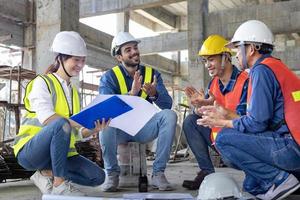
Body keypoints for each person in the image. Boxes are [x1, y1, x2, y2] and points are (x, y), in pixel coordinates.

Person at [199, 20, 300, 200]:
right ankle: (288, 180)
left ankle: (281, 179)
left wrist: (224, 122)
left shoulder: (260, 70)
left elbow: (257, 123)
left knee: (223, 138)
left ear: (251, 49)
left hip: (291, 148)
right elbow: (268, 119)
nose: (236, 54)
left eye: (238, 48)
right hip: (293, 144)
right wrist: (226, 114)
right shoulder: (275, 66)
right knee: (251, 186)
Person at [13, 31, 109, 196]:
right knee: (60, 123)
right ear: (60, 59)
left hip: (58, 155)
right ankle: (59, 185)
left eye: (83, 60)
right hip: (31, 152)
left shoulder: (73, 92)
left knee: (98, 177)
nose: (80, 65)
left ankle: (46, 174)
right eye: (76, 60)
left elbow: (76, 134)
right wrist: (80, 121)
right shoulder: (42, 83)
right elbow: (49, 119)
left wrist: (94, 128)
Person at [99, 31, 177, 192]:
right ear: (119, 57)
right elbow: (104, 109)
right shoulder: (109, 77)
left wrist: (154, 93)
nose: (134, 51)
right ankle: (112, 174)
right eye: (128, 50)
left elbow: (167, 105)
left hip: (143, 128)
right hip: (118, 130)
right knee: (105, 122)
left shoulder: (152, 74)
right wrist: (130, 95)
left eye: (135, 47)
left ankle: (158, 173)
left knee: (170, 115)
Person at [182, 35, 249, 190]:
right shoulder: (213, 84)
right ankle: (206, 172)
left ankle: (254, 172)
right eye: (205, 61)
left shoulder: (245, 81)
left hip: (240, 142)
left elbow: (246, 121)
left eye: (211, 60)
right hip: (218, 139)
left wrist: (216, 112)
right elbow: (205, 113)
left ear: (225, 58)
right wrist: (199, 107)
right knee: (191, 121)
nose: (207, 65)